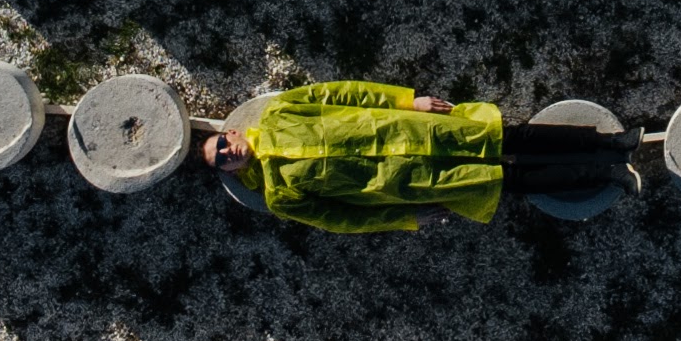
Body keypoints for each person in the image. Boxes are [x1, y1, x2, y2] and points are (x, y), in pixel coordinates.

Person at [198, 81, 636, 233]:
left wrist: (408, 102)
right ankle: (608, 177)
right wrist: (406, 218)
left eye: (221, 144)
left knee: (514, 137)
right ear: (230, 172)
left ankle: (612, 143)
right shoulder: (280, 196)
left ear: (231, 133)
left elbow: (345, 93)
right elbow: (345, 219)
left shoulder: (281, 112)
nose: (226, 152)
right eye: (221, 160)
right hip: (409, 180)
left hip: (413, 130)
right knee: (509, 181)